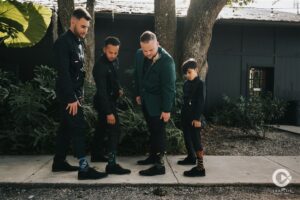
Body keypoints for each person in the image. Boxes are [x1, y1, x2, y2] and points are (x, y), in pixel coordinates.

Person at [52, 7, 107, 180]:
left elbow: (79, 72)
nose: (85, 31)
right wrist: (71, 98)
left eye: (87, 28)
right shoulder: (63, 43)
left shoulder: (78, 42)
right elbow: (63, 73)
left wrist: (80, 94)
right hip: (68, 96)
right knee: (78, 127)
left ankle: (58, 162)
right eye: (83, 26)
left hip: (75, 94)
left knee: (65, 129)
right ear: (73, 22)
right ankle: (84, 170)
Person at [134, 31, 176, 176]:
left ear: (157, 43)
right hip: (146, 101)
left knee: (159, 133)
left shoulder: (167, 61)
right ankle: (152, 156)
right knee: (152, 131)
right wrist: (138, 93)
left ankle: (159, 166)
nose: (147, 53)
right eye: (145, 50)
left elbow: (169, 88)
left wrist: (166, 109)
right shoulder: (139, 54)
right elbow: (138, 75)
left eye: (151, 50)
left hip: (159, 104)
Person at [91, 36, 131, 175]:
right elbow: (102, 92)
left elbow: (114, 78)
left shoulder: (113, 62)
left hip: (110, 100)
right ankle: (112, 164)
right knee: (115, 130)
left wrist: (118, 88)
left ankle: (96, 154)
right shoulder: (100, 67)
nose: (113, 55)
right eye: (110, 52)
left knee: (101, 128)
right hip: (104, 102)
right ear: (104, 50)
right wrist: (108, 113)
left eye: (115, 53)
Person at [179, 58, 206, 177]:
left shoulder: (200, 84)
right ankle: (191, 157)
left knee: (196, 140)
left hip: (195, 117)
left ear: (196, 69)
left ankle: (200, 168)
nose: (187, 75)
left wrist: (196, 118)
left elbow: (200, 102)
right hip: (185, 115)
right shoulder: (186, 84)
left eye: (189, 72)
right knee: (187, 137)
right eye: (186, 73)